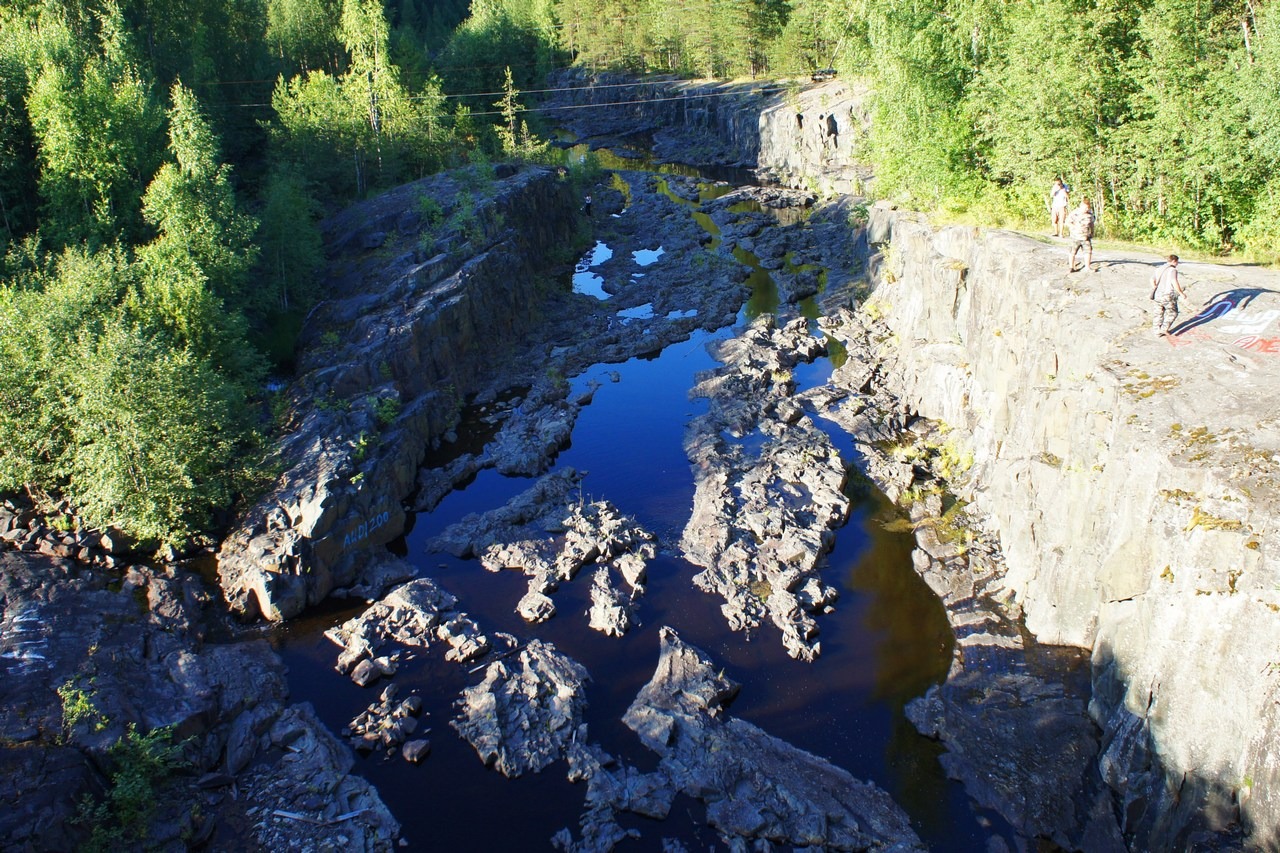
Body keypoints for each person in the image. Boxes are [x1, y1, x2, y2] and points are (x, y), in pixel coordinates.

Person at [1150, 254, 1187, 337]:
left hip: (1157, 295)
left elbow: (1152, 279)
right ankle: (1163, 329)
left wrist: (1155, 287)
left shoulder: (1159, 268)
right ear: (1174, 261)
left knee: (1158, 313)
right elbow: (1174, 282)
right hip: (1167, 295)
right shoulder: (1172, 270)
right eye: (1177, 262)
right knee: (1173, 313)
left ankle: (1156, 331)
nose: (1177, 264)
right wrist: (1181, 293)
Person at [1066, 198, 1095, 273]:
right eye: (1085, 207)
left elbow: (1092, 224)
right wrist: (1074, 227)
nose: (1086, 209)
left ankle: (1087, 267)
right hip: (1075, 236)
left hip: (1086, 237)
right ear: (1081, 206)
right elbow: (1068, 222)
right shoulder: (1075, 213)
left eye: (1087, 208)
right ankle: (1071, 267)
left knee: (1088, 251)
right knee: (1072, 252)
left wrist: (1092, 232)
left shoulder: (1089, 215)